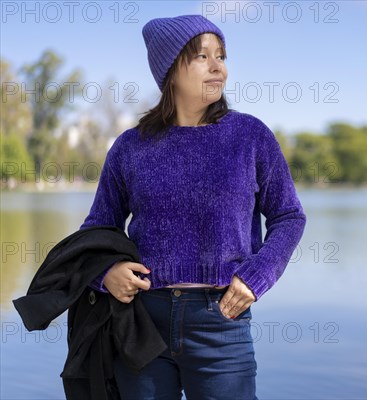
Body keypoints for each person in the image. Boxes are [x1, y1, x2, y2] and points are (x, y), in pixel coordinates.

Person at [79, 14, 307, 400]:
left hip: (221, 322)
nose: (218, 66)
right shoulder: (131, 147)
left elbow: (288, 216)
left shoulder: (249, 136)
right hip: (142, 323)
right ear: (171, 69)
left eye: (222, 55)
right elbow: (96, 230)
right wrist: (107, 272)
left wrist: (258, 276)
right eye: (203, 56)